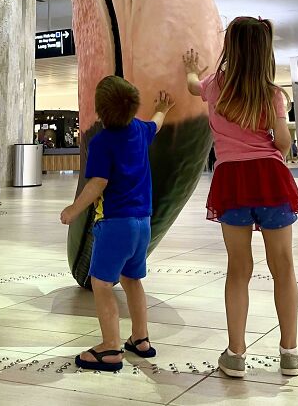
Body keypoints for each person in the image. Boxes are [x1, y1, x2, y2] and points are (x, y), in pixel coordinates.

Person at [183, 16, 298, 380]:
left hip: (230, 180)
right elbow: (283, 143)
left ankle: (236, 354)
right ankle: (289, 353)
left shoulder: (214, 84)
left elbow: (193, 87)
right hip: (270, 178)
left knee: (239, 269)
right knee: (282, 266)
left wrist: (191, 69)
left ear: (230, 47)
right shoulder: (272, 92)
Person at [60, 77, 174, 372]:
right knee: (132, 279)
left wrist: (73, 210)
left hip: (115, 224)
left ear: (99, 110)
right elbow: (156, 123)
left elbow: (97, 183)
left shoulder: (101, 142)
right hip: (142, 222)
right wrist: (162, 107)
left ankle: (110, 347)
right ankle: (140, 339)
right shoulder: (139, 130)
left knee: (101, 283)